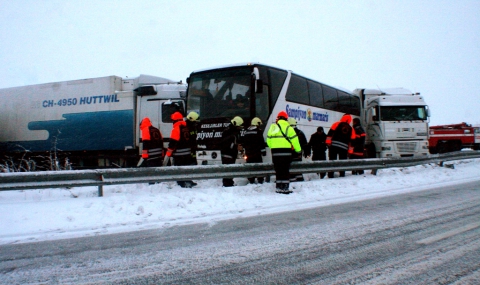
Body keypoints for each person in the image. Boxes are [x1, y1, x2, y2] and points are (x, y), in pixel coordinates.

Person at [266, 111, 301, 194]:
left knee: (278, 170)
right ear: (286, 118)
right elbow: (295, 140)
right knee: (285, 170)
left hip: (275, 153)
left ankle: (278, 187)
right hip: (286, 153)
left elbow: (268, 140)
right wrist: (298, 150)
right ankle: (285, 187)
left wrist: (274, 147)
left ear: (278, 118)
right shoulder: (289, 127)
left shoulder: (273, 127)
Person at [164, 112, 197, 188]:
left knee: (179, 170)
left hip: (179, 154)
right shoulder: (186, 127)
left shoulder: (176, 128)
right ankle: (188, 181)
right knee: (186, 169)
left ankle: (181, 184)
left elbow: (172, 143)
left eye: (173, 120)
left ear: (175, 120)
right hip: (187, 153)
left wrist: (168, 155)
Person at [326, 114, 356, 178]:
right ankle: (342, 174)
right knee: (342, 161)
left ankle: (330, 174)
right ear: (349, 120)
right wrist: (350, 151)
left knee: (332, 160)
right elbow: (352, 141)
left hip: (334, 145)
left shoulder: (336, 124)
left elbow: (330, 133)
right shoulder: (351, 129)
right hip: (344, 148)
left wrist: (328, 142)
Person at [219, 116, 244, 187]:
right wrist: (236, 146)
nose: (240, 128)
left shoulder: (233, 131)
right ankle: (227, 184)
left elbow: (238, 142)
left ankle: (229, 182)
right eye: (239, 126)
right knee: (227, 169)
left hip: (231, 153)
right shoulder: (229, 132)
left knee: (230, 169)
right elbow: (227, 144)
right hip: (227, 153)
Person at [241, 117, 267, 184]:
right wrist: (263, 152)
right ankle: (260, 180)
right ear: (257, 124)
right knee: (259, 167)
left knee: (250, 167)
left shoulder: (246, 132)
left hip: (249, 154)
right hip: (257, 153)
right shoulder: (258, 132)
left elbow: (244, 143)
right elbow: (261, 143)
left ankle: (251, 180)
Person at [287, 118, 308, 182]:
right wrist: (306, 152)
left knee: (291, 167)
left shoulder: (287, 132)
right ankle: (299, 178)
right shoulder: (300, 133)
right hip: (298, 153)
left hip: (290, 154)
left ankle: (292, 179)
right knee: (298, 166)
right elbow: (305, 144)